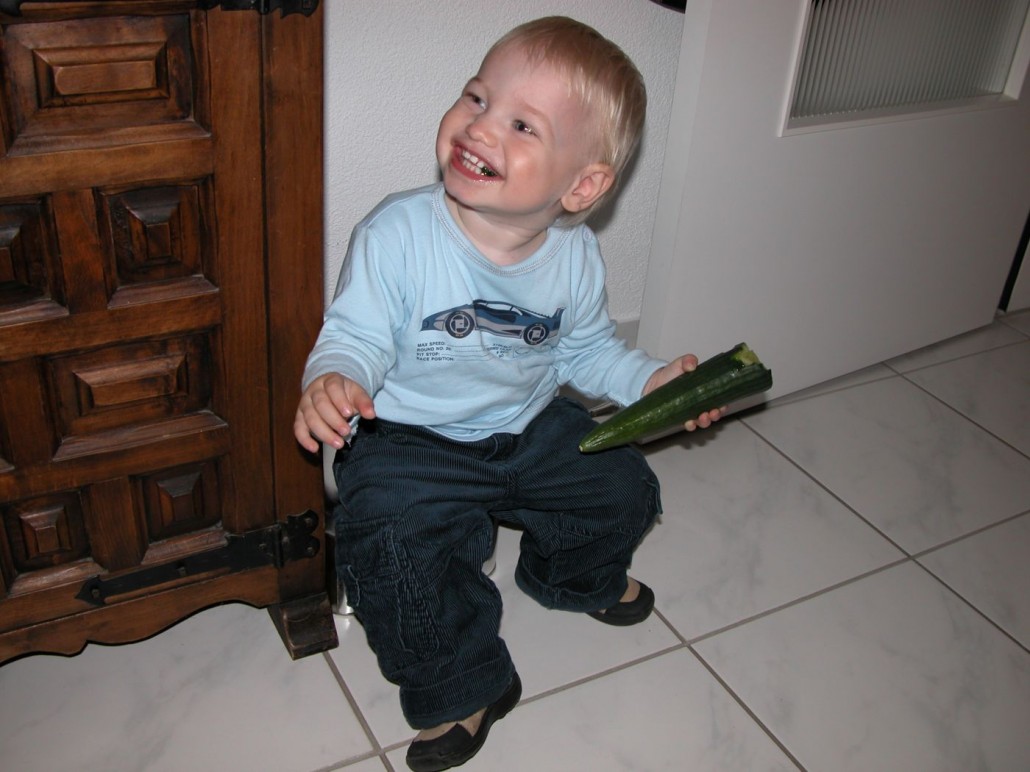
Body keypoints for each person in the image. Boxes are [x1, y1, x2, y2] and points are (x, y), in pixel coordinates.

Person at [294, 16, 722, 772]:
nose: (480, 126)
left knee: (623, 485)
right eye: (476, 98)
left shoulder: (575, 257)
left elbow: (589, 351)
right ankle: (465, 683)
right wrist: (335, 378)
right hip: (406, 437)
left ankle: (567, 575)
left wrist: (655, 382)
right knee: (390, 541)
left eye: (522, 124)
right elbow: (355, 332)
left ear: (581, 186)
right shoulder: (397, 234)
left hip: (525, 425)